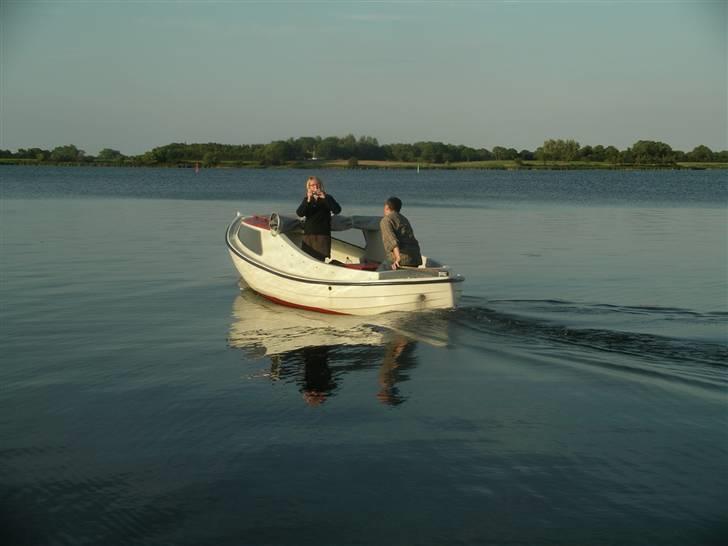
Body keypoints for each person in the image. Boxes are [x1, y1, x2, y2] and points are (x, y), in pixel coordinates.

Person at [295, 176, 341, 261]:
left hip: (322, 235)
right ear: (308, 187)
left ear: (321, 185)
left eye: (317, 184)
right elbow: (300, 213)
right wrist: (308, 199)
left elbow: (337, 210)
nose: (315, 187)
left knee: (320, 260)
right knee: (307, 260)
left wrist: (325, 198)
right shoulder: (307, 200)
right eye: (312, 185)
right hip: (309, 235)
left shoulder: (328, 198)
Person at [380, 196, 422, 270]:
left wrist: (398, 259)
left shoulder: (386, 220)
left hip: (402, 260)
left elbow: (393, 242)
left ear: (386, 207)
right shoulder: (404, 219)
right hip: (415, 259)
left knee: (379, 268)